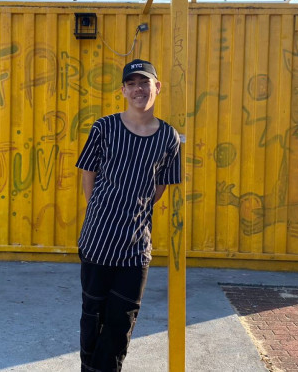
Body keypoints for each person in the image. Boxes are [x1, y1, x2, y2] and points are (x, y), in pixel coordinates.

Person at [76, 59, 181, 372]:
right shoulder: (104, 127)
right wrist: (99, 210)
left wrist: (133, 209)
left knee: (121, 324)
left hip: (136, 248)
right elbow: (88, 172)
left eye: (144, 82)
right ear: (123, 90)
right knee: (93, 317)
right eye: (131, 83)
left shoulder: (169, 137)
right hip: (97, 242)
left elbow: (160, 187)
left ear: (157, 87)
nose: (138, 89)